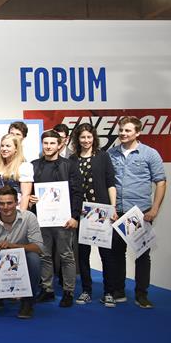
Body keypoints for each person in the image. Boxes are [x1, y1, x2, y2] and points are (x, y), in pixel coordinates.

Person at [107, 116, 167, 309]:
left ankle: (142, 294)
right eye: (121, 130)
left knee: (142, 255)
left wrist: (155, 209)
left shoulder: (150, 153)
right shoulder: (111, 153)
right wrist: (110, 208)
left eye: (128, 130)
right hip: (117, 212)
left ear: (138, 132)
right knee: (117, 254)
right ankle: (119, 291)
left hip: (140, 212)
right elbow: (108, 182)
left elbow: (161, 182)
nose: (123, 133)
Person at [29, 130, 82, 308]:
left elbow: (77, 192)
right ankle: (47, 290)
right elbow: (28, 191)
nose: (48, 146)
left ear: (60, 145)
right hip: (41, 219)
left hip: (64, 220)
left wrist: (75, 216)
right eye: (45, 143)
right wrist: (30, 198)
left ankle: (68, 292)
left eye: (52, 143)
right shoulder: (34, 165)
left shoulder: (69, 165)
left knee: (66, 255)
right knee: (44, 255)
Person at [68, 123, 117, 306]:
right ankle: (86, 291)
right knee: (83, 255)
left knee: (106, 254)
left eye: (89, 137)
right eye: (82, 137)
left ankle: (109, 292)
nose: (86, 140)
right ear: (77, 139)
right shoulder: (72, 159)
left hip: (102, 212)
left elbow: (111, 183)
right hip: (81, 214)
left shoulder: (103, 156)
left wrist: (113, 207)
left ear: (94, 138)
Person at [0, 186, 43, 319]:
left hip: (21, 265)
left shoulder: (29, 218)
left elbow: (38, 247)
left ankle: (28, 302)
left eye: (9, 203)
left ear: (16, 202)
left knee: (34, 258)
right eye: (2, 203)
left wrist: (13, 246)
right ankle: (2, 296)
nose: (6, 207)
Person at [0, 133, 33, 210]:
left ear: (16, 149)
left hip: (16, 208)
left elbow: (25, 195)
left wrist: (21, 214)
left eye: (8, 146)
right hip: (0, 207)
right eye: (2, 146)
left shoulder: (24, 166)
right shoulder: (0, 167)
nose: (4, 149)